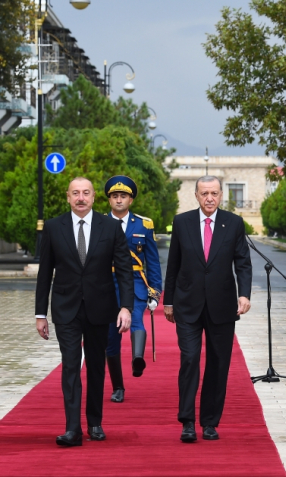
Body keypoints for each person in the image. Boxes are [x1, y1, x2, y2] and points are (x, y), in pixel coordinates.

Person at [35, 177, 134, 447]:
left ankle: (94, 422)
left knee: (95, 367)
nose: (81, 197)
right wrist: (40, 314)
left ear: (93, 198)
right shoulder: (54, 228)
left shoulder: (111, 228)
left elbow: (125, 270)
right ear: (68, 197)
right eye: (75, 193)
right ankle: (72, 428)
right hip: (65, 309)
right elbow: (45, 273)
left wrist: (126, 307)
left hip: (100, 309)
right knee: (70, 366)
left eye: (86, 193)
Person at [164, 175, 253, 443]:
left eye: (214, 193)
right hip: (188, 305)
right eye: (204, 193)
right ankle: (187, 421)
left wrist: (245, 294)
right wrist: (168, 301)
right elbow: (173, 265)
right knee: (189, 359)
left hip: (222, 306)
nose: (209, 198)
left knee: (218, 364)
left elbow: (243, 263)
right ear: (196, 195)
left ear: (221, 195)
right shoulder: (182, 223)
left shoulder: (234, 223)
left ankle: (210, 422)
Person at [104, 176, 162, 403]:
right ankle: (118, 387)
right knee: (111, 335)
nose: (119, 200)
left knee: (135, 319)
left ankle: (138, 358)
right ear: (109, 200)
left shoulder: (144, 225)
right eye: (115, 196)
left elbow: (153, 262)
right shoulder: (99, 223)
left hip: (136, 280)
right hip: (106, 283)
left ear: (131, 200)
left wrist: (155, 292)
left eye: (123, 196)